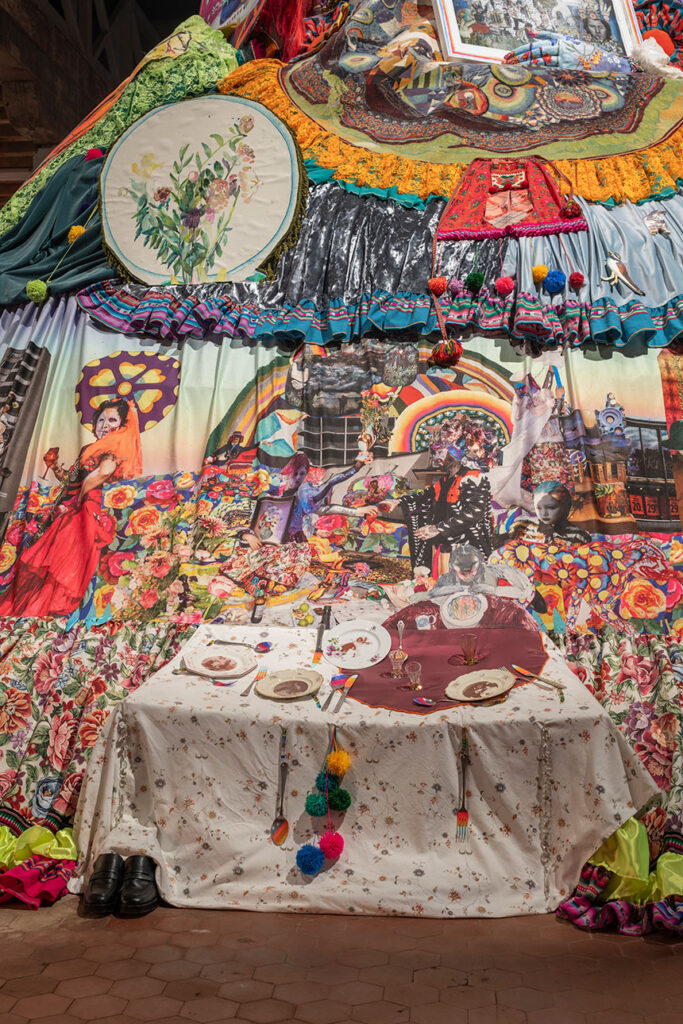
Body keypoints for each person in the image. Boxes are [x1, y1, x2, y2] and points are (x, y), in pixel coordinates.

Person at [0, 399, 142, 616]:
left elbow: (105, 471)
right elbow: (70, 481)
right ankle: (32, 613)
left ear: (122, 425)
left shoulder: (112, 448)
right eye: (101, 420)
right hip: (69, 512)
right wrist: (55, 466)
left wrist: (79, 500)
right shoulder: (89, 449)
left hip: (84, 514)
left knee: (60, 568)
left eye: (112, 420)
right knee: (49, 568)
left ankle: (38, 614)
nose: (104, 425)